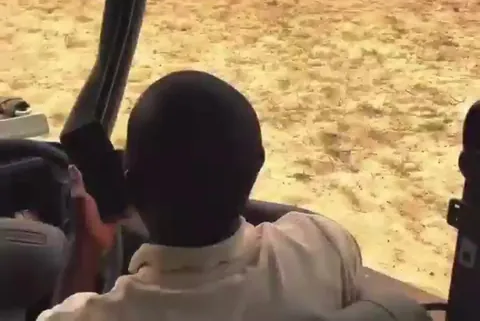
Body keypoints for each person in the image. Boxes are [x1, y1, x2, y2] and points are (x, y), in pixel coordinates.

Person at [39, 70, 364, 321]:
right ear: (257, 165)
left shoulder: (91, 315)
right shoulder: (326, 248)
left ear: (132, 188)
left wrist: (88, 245)